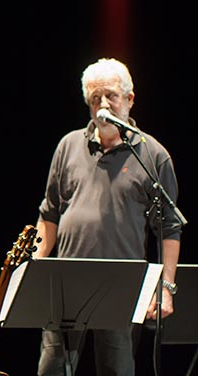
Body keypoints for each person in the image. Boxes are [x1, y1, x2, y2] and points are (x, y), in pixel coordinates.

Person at [33, 57, 183, 375]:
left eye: (111, 96)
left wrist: (166, 288)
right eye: (95, 98)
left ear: (129, 98)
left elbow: (169, 228)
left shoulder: (152, 155)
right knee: (52, 369)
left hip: (122, 286)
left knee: (117, 370)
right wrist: (33, 269)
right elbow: (49, 214)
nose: (103, 104)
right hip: (65, 285)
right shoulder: (68, 146)